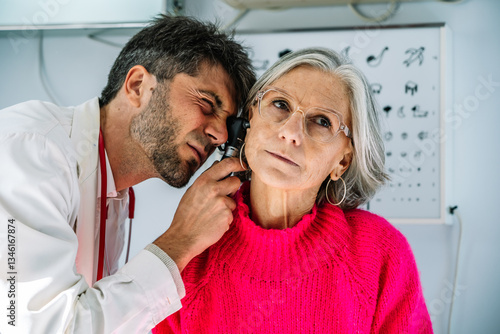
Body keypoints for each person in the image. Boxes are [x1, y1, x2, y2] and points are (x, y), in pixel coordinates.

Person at [0, 15, 255, 333]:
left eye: (228, 124)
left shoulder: (115, 193)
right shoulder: (32, 151)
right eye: (206, 103)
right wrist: (180, 241)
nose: (219, 134)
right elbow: (43, 328)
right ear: (137, 86)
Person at [152, 48, 433, 333]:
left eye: (323, 121)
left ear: (343, 161)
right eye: (280, 105)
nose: (291, 132)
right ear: (249, 122)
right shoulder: (192, 247)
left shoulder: (379, 253)